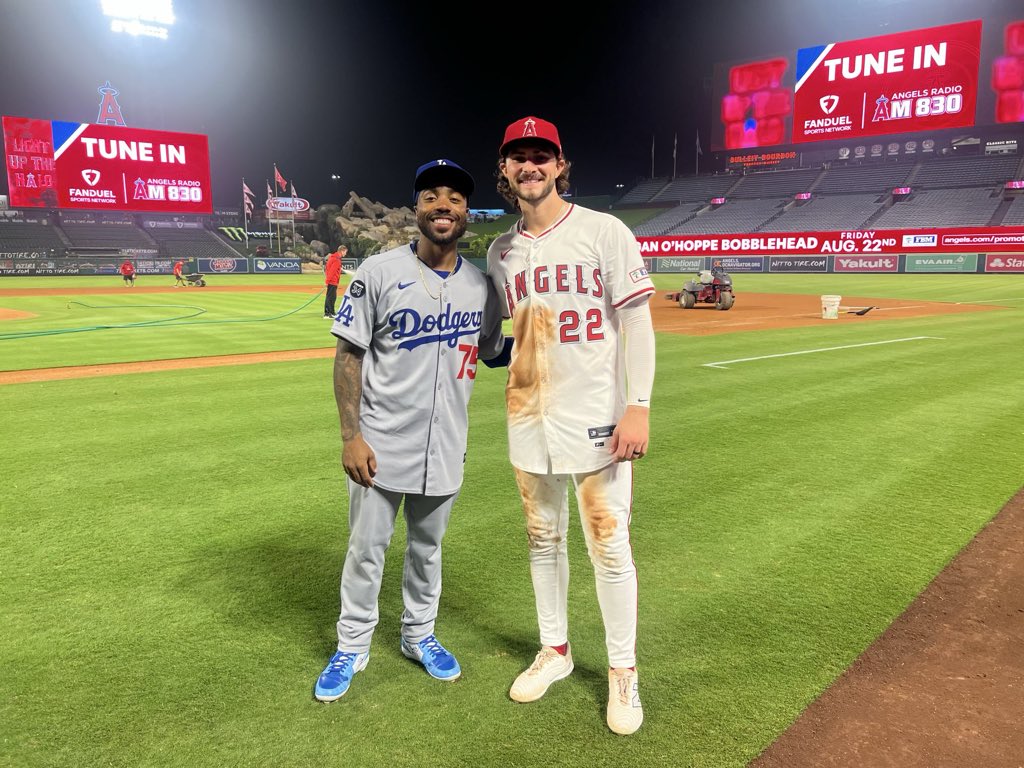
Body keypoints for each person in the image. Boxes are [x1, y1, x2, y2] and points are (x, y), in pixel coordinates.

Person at [485, 116, 656, 735]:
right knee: (541, 540)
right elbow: (507, 332)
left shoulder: (603, 230)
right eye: (517, 157)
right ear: (504, 169)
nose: (530, 166)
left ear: (560, 164)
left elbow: (636, 323)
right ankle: (555, 652)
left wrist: (638, 404)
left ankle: (622, 671)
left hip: (598, 419)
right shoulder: (501, 251)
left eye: (541, 155)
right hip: (527, 417)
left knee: (609, 547)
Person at [314, 158, 505, 702]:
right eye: (431, 196)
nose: (443, 206)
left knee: (427, 550)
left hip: (447, 442)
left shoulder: (480, 286)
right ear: (416, 208)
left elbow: (492, 351)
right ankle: (352, 644)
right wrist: (351, 435)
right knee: (366, 548)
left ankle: (418, 636)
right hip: (380, 441)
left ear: (467, 212)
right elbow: (348, 355)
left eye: (455, 198)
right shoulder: (377, 272)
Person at [323, 245, 346, 318]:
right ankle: (329, 313)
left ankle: (330, 312)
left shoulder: (333, 258)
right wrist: (327, 281)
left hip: (332, 281)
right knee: (331, 297)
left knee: (331, 297)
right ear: (342, 251)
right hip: (332, 281)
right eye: (345, 252)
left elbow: (327, 269)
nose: (345, 254)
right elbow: (332, 272)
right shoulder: (336, 260)